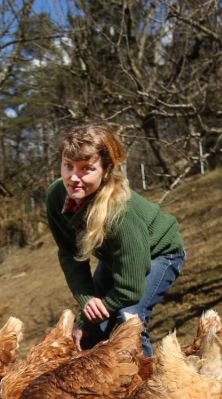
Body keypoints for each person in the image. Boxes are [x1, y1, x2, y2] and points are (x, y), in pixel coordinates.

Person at [45, 122, 185, 356]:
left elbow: (129, 289)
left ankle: (147, 387)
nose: (73, 178)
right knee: (89, 331)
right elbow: (70, 253)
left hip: (160, 252)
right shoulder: (57, 195)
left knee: (128, 319)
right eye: (68, 166)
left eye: (87, 169)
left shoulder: (121, 213)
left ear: (107, 171)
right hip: (117, 256)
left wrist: (92, 315)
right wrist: (87, 302)